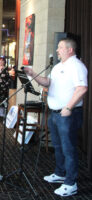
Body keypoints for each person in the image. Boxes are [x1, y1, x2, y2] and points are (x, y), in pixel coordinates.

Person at [24, 38, 88, 197]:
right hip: (54, 113)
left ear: (70, 50)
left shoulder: (77, 66)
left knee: (69, 148)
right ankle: (60, 173)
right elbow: (47, 82)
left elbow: (82, 88)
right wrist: (33, 75)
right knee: (58, 146)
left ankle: (70, 183)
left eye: (60, 48)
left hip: (68, 114)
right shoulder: (58, 66)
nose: (57, 50)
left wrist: (68, 107)